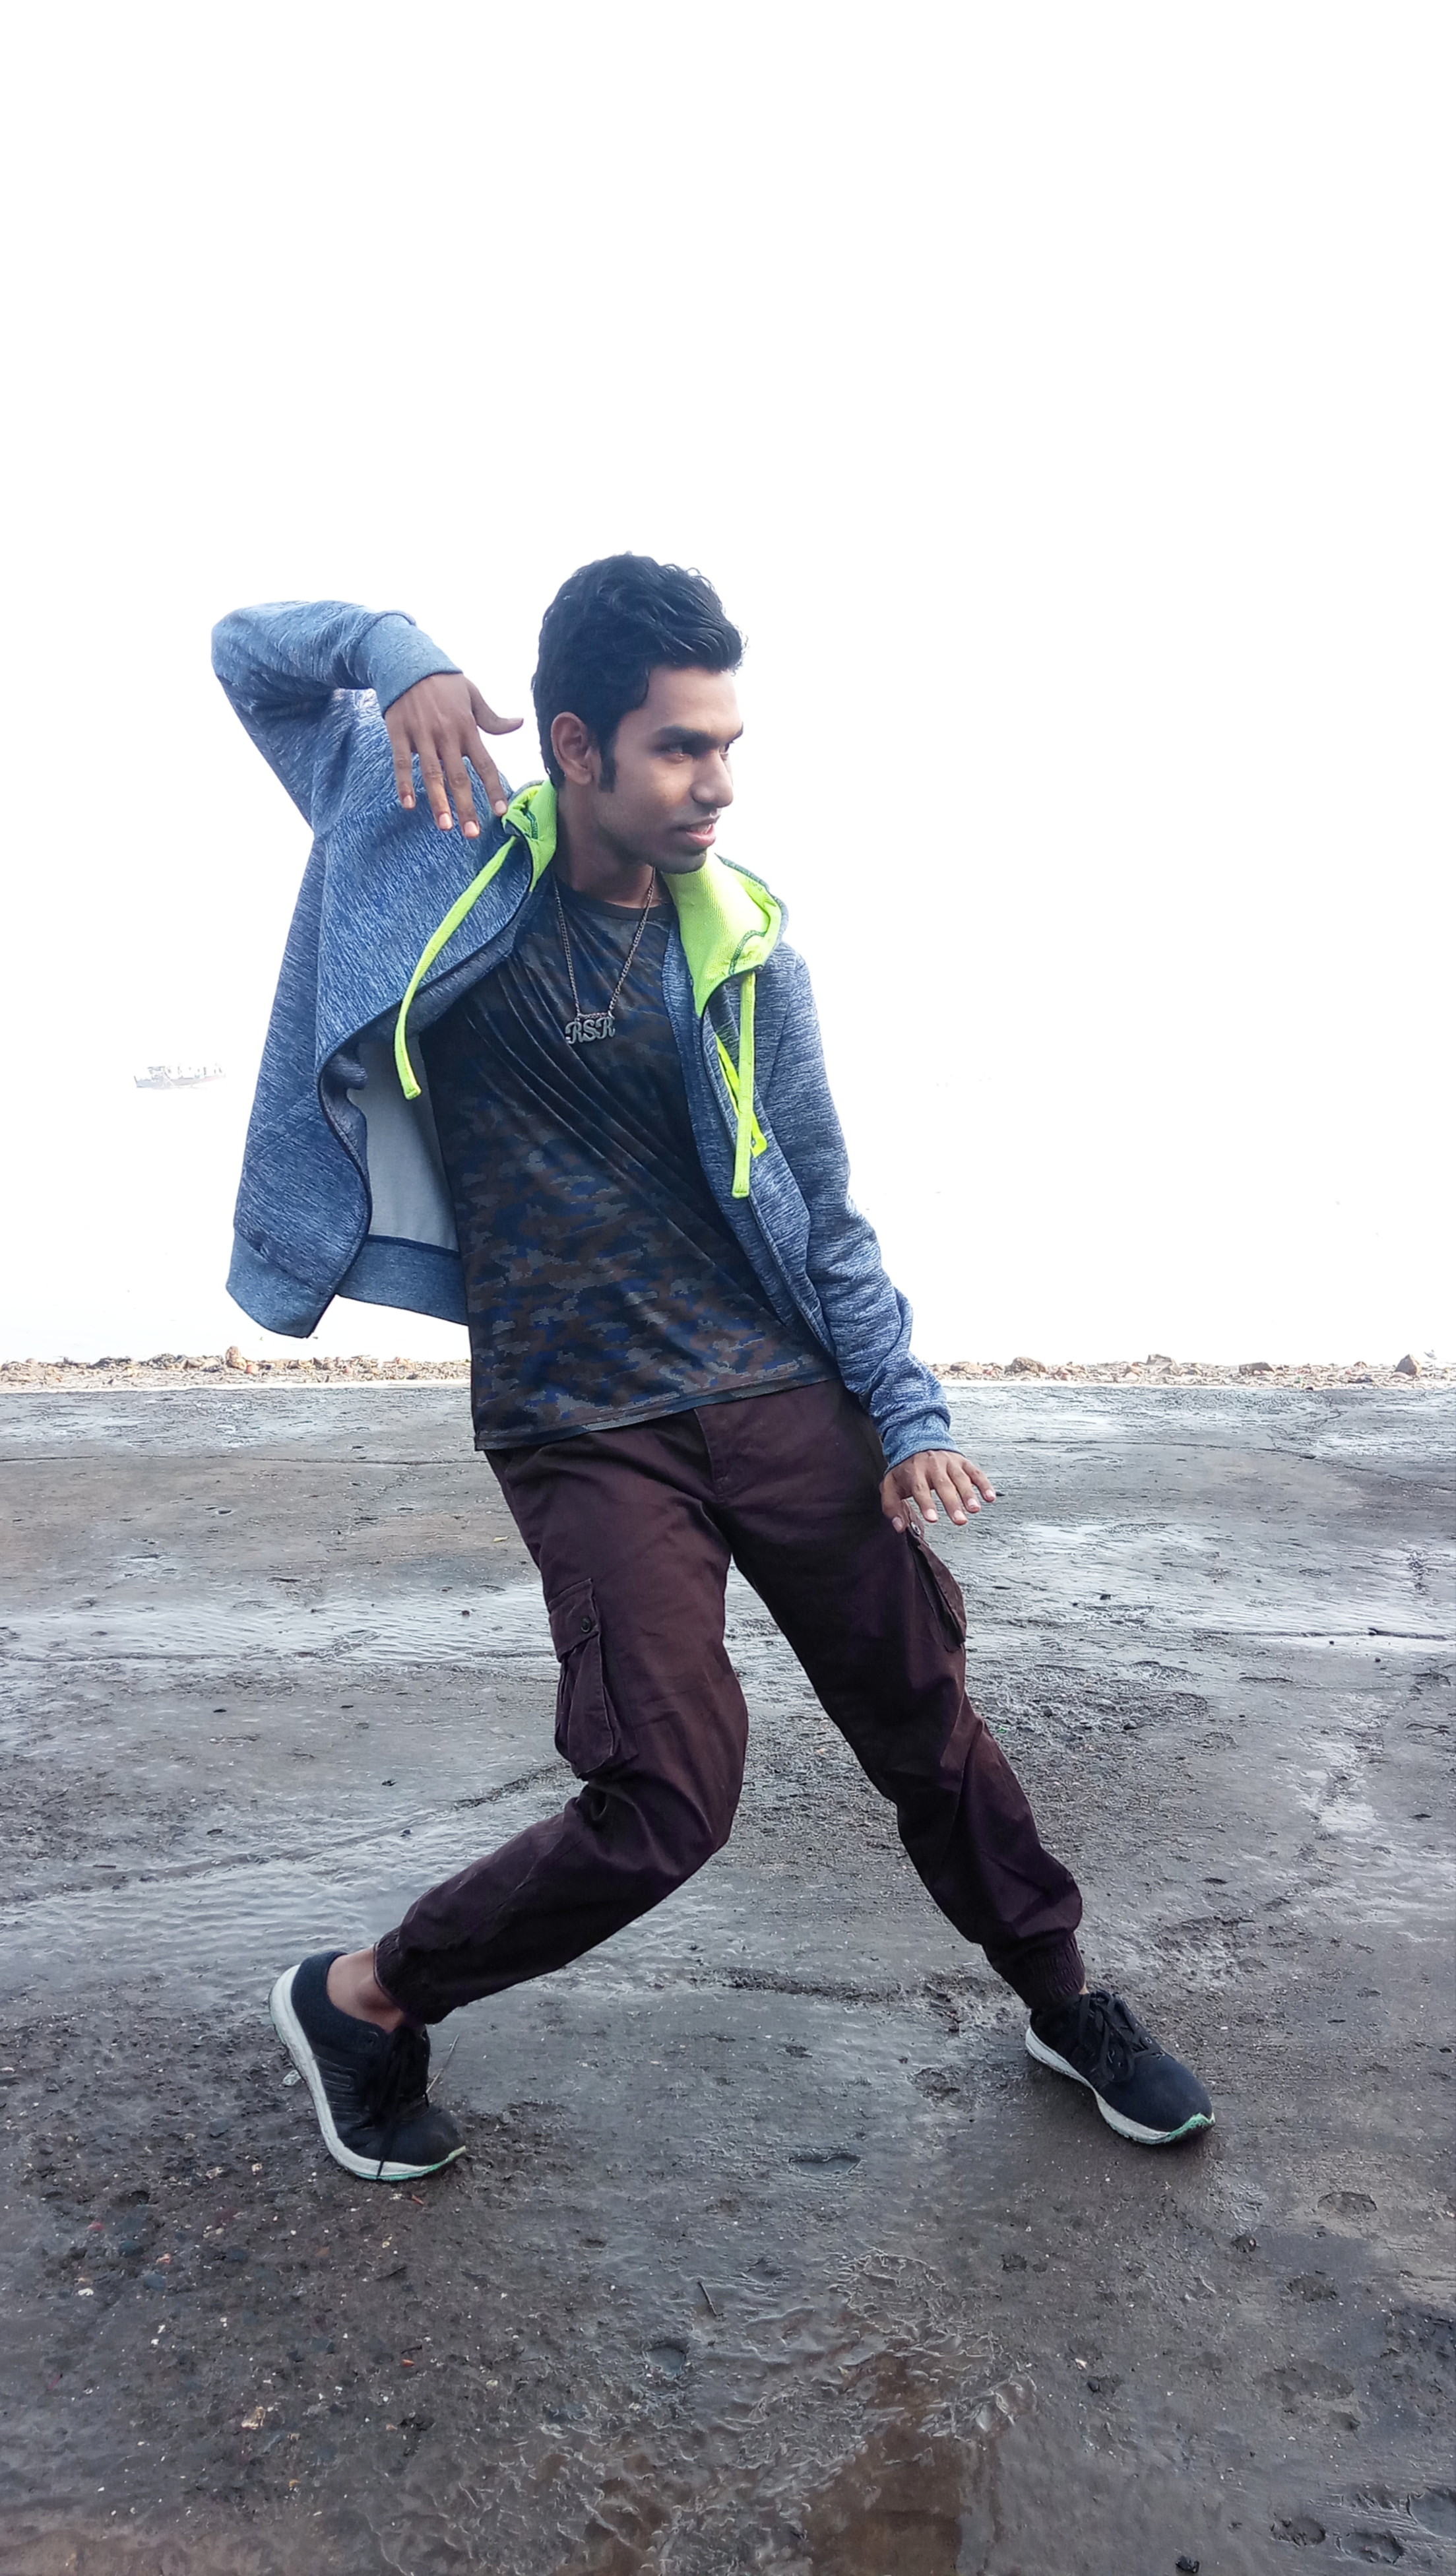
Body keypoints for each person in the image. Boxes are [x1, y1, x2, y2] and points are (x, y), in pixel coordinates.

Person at [212, 557, 1212, 2183]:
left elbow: (821, 1207)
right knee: (668, 1794)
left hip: (771, 1385)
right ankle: (367, 1994)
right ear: (577, 745)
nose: (719, 783)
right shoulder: (430, 835)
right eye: (681, 747)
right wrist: (392, 650)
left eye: (729, 745)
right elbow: (244, 654)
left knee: (924, 1712)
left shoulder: (742, 952)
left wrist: (905, 1411)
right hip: (578, 1417)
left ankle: (1062, 1997)